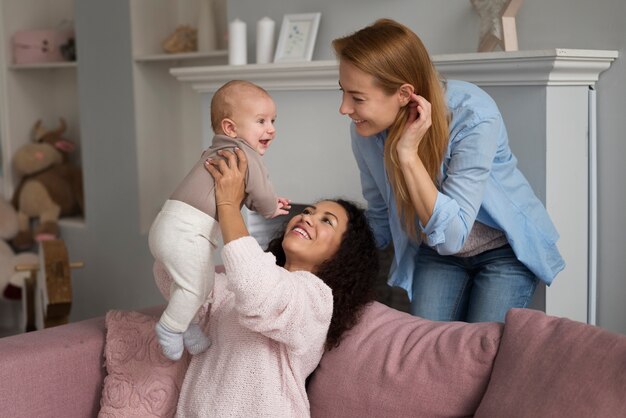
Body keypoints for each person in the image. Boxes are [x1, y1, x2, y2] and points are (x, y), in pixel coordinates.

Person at [332, 18, 565, 323]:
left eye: (357, 98)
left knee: (480, 352)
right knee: (429, 350)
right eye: (343, 92)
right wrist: (322, 242)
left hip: (502, 251)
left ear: (403, 94)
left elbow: (453, 235)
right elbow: (380, 215)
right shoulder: (366, 131)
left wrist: (407, 154)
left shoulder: (472, 115)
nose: (344, 108)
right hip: (437, 252)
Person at [151, 148, 379, 416]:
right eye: (308, 211)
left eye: (326, 221)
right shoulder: (235, 286)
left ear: (344, 254)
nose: (306, 217)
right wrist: (197, 209)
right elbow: (171, 278)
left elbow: (259, 292)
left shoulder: (316, 300)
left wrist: (228, 205)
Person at [148, 80, 291, 360]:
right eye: (261, 121)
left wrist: (262, 200)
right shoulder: (244, 154)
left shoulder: (219, 151)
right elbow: (260, 190)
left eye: (273, 120)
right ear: (230, 128)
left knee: (198, 285)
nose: (271, 128)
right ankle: (169, 327)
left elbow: (242, 191)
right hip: (185, 231)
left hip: (171, 227)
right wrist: (270, 207)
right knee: (194, 286)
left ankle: (188, 328)